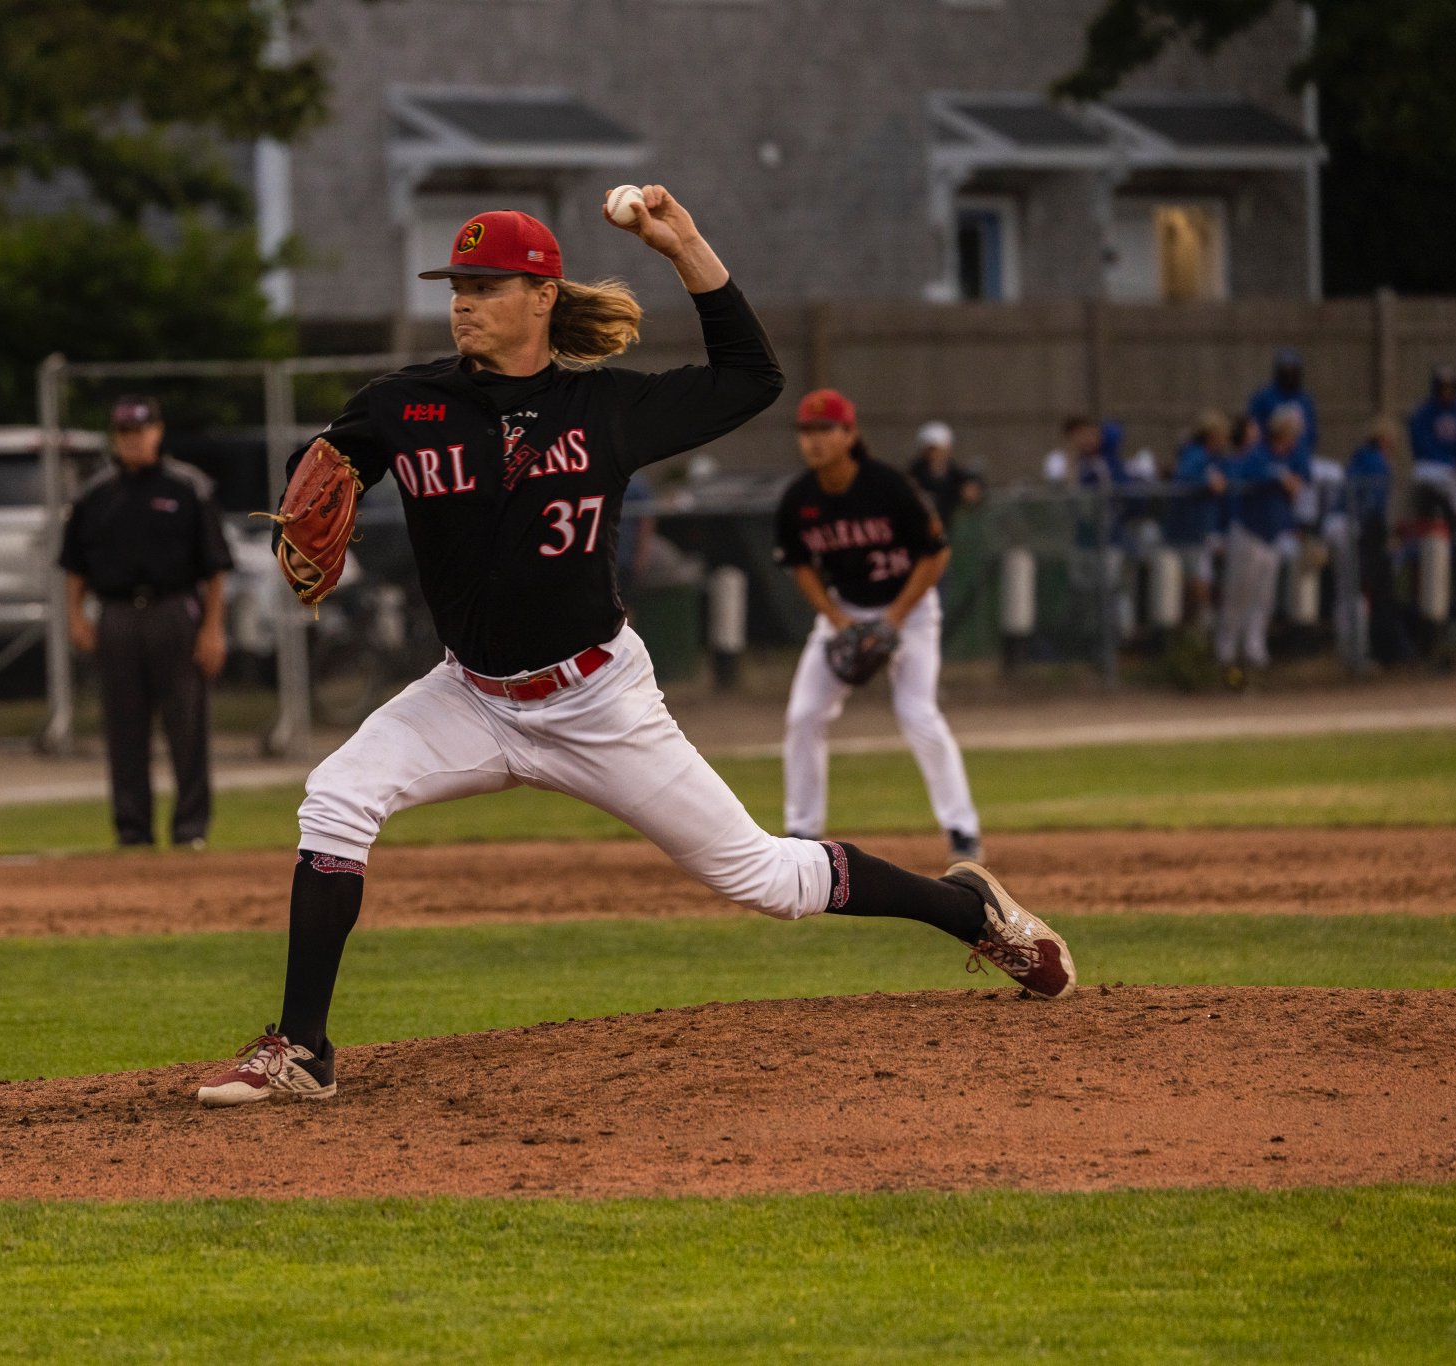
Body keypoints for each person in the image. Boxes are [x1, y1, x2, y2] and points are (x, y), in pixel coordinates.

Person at [195, 190, 1075, 1106]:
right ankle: (303, 1051)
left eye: (487, 285)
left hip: (597, 699)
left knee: (765, 877)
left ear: (542, 298)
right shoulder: (404, 406)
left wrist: (684, 243)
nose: (463, 300)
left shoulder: (606, 408)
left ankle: (969, 911)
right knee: (336, 797)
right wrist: (314, 489)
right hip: (469, 695)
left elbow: (751, 378)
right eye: (457, 284)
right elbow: (327, 474)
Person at [779, 390, 983, 863]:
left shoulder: (888, 486)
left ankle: (962, 829)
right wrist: (836, 619)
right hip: (844, 611)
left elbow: (937, 552)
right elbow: (799, 564)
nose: (813, 440)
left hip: (909, 610)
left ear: (850, 435)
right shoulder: (799, 499)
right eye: (806, 431)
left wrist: (894, 618)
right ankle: (802, 833)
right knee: (804, 714)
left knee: (918, 713)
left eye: (825, 429)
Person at [59, 397, 233, 848]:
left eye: (141, 431)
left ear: (158, 431)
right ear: (116, 438)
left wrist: (213, 628)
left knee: (187, 724)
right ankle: (133, 831)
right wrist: (75, 615)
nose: (134, 440)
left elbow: (215, 566)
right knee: (124, 727)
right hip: (115, 614)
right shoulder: (95, 494)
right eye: (125, 433)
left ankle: (190, 830)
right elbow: (75, 564)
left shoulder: (188, 487)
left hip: (174, 612)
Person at [1215, 407, 1307, 682]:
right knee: (1238, 593)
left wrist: (1291, 482)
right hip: (1248, 533)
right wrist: (1278, 478)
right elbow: (1250, 474)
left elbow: (1302, 477)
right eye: (1290, 433)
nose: (1293, 438)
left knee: (1263, 597)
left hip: (1273, 536)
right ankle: (1226, 650)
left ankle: (1255, 649)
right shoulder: (1259, 452)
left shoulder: (1290, 455)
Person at [1347, 417, 1409, 665]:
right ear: (1385, 441)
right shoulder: (1378, 463)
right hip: (1366, 531)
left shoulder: (1358, 458)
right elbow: (1374, 506)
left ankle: (1356, 651)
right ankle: (1363, 652)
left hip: (1348, 527)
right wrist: (1385, 536)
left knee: (1351, 593)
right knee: (1365, 592)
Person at [1168, 409, 1235, 616]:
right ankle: (1197, 628)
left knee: (1204, 578)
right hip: (1189, 530)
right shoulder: (1195, 454)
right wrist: (1207, 483)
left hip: (1204, 530)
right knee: (1196, 581)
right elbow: (1184, 477)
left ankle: (1200, 626)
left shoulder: (1215, 459)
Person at [1408, 364, 1456, 527]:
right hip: (1430, 466)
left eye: (1450, 387)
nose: (1447, 392)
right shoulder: (1423, 414)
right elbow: (1421, 446)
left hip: (1453, 469)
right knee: (1449, 486)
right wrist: (1450, 464)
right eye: (1443, 387)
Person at [906, 421, 984, 528]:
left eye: (938, 449)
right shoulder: (911, 477)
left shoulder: (958, 477)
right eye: (931, 450)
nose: (934, 454)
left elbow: (976, 497)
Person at [1248, 348, 1318, 465]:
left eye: (1293, 372)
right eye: (1286, 372)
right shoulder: (1264, 397)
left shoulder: (1304, 399)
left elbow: (1311, 432)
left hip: (1300, 458)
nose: (1289, 377)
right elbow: (1255, 430)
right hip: (1271, 458)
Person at [1042, 415, 1099, 483]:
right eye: (1084, 435)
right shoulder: (1056, 459)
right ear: (1071, 436)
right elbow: (1060, 488)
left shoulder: (1095, 460)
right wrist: (1072, 459)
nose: (1089, 439)